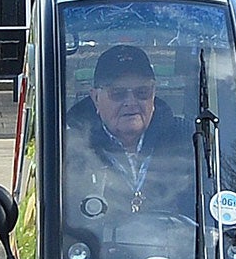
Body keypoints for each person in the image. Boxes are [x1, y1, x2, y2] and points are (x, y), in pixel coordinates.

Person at [63, 45, 198, 247]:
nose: (131, 102)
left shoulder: (188, 140)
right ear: (95, 97)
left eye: (142, 92)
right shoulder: (71, 146)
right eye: (118, 93)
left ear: (154, 94)